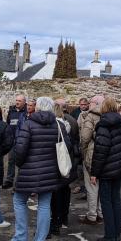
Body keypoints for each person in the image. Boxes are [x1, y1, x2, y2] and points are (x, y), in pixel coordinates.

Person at [12, 97, 71, 241]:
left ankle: (21, 236)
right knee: (44, 205)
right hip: (50, 172)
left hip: (28, 171)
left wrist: (20, 165)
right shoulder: (59, 126)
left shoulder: (28, 124)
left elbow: (20, 150)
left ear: (37, 108)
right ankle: (40, 238)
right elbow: (67, 147)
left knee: (19, 200)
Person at [91, 97, 121, 241]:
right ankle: (116, 233)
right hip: (118, 168)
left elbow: (100, 151)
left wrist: (94, 173)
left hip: (107, 170)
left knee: (106, 202)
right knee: (115, 200)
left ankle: (110, 235)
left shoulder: (104, 125)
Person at [49, 100, 78, 235]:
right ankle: (63, 218)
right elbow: (74, 141)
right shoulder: (72, 121)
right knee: (65, 190)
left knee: (55, 194)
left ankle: (56, 220)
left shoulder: (54, 125)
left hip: (56, 162)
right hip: (67, 162)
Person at [80, 95, 104, 225]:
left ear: (95, 103)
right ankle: (100, 212)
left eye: (90, 103)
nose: (89, 105)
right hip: (105, 155)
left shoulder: (91, 116)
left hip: (92, 153)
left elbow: (85, 137)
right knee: (101, 186)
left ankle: (92, 215)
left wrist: (83, 151)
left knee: (92, 186)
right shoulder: (108, 115)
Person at [3, 94, 27, 189]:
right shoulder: (11, 110)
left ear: (24, 102)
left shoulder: (26, 112)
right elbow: (8, 123)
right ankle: (9, 180)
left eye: (19, 101)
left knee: (21, 161)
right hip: (12, 139)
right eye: (16, 100)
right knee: (11, 160)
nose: (17, 102)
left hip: (21, 140)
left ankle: (20, 181)